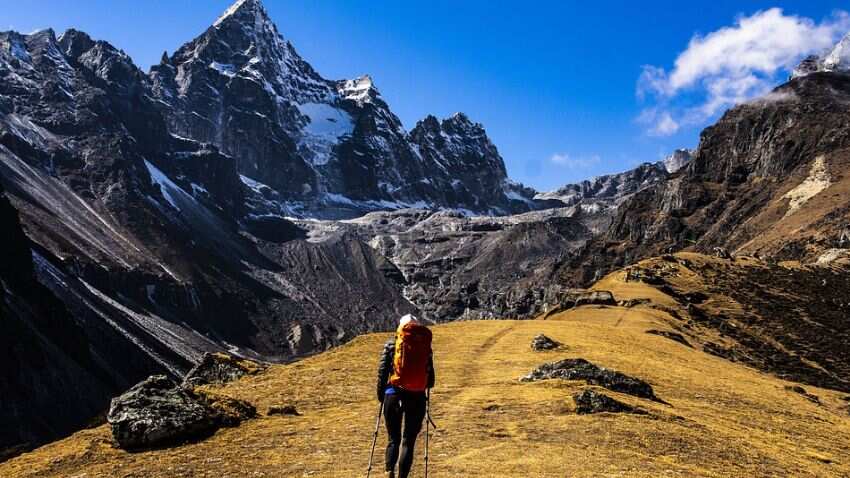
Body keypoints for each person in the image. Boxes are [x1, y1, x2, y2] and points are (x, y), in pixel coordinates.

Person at [375, 314, 435, 478]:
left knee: (393, 438)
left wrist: (382, 396)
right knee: (408, 441)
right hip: (417, 398)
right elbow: (431, 381)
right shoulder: (425, 347)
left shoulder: (392, 344)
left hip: (393, 394)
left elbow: (382, 373)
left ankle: (389, 472)